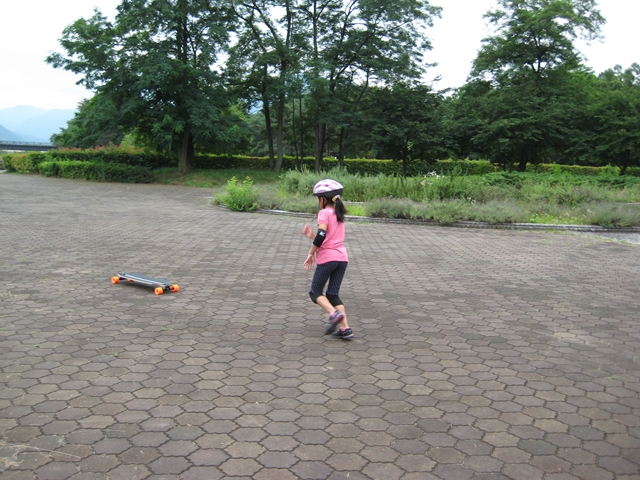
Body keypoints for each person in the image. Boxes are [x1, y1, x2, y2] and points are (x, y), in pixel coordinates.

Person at [302, 179, 353, 340]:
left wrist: (311, 253)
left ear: (323, 199)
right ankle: (345, 329)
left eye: (318, 198)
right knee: (332, 294)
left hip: (328, 259)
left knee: (315, 292)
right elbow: (327, 237)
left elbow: (322, 235)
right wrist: (312, 235)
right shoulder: (339, 214)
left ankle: (333, 314)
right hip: (342, 259)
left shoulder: (324, 213)